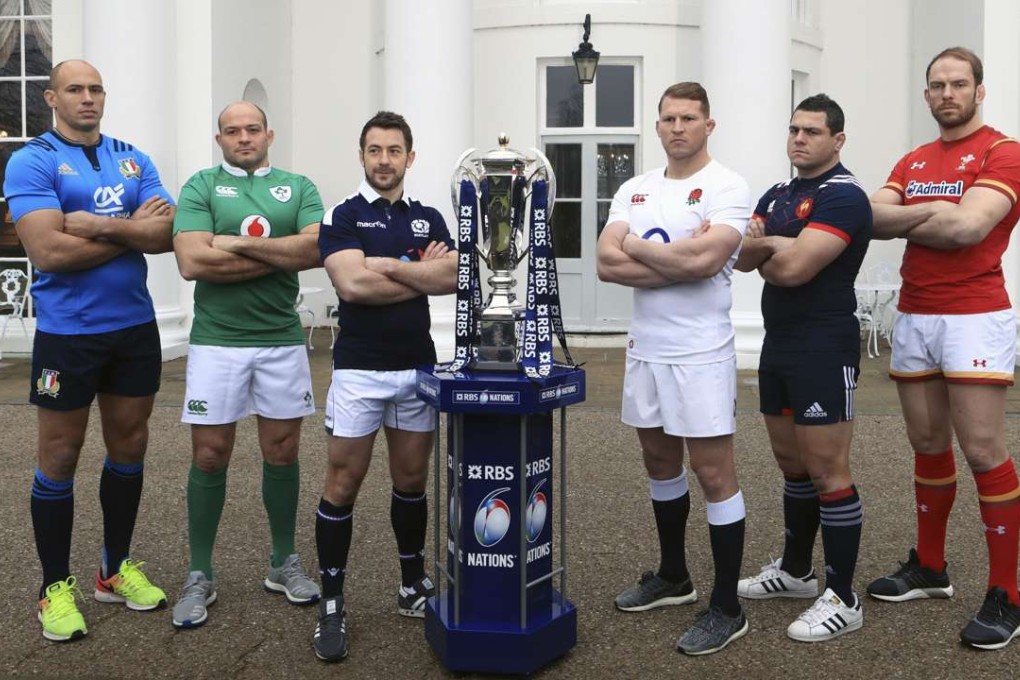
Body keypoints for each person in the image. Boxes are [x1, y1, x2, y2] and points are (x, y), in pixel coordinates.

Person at [2, 59, 174, 642]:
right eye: (75, 89)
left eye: (96, 88)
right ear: (52, 97)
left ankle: (112, 570)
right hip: (68, 334)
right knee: (60, 454)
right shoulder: (33, 159)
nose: (88, 98)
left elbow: (165, 234)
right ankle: (54, 588)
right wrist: (130, 228)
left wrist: (97, 226)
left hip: (133, 328)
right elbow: (49, 252)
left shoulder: (134, 157)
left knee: (129, 446)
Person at [868, 46, 1020, 650]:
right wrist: (936, 208)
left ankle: (1007, 593)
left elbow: (968, 228)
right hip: (916, 312)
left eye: (959, 84)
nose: (947, 93)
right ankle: (931, 569)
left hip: (975, 316)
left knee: (983, 451)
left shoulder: (1003, 152)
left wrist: (911, 211)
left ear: (979, 91)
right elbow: (868, 217)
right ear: (927, 94)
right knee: (928, 446)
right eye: (937, 85)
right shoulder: (913, 156)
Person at [596, 82, 751, 656]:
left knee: (713, 474)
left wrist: (640, 250)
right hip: (646, 349)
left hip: (701, 351)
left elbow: (708, 259)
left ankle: (727, 605)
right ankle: (673, 576)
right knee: (659, 462)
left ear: (709, 124)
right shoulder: (634, 188)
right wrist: (678, 261)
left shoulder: (728, 185)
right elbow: (604, 263)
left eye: (689, 117)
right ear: (656, 127)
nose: (677, 126)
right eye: (668, 118)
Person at [170, 101, 324, 629]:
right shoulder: (200, 187)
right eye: (232, 131)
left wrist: (231, 243)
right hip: (217, 341)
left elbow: (314, 251)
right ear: (220, 140)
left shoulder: (299, 186)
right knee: (210, 455)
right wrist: (274, 253)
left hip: (280, 338)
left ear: (269, 134)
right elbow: (192, 261)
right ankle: (199, 573)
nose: (243, 137)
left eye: (252, 129)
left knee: (282, 451)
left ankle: (283, 562)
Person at [311, 111, 457, 662]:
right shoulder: (342, 213)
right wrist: (413, 270)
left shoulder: (429, 217)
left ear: (409, 158)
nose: (384, 160)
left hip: (417, 367)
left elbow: (454, 277)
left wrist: (385, 267)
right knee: (343, 482)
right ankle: (331, 601)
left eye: (394, 150)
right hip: (359, 371)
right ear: (362, 156)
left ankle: (410, 586)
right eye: (374, 150)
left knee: (411, 482)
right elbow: (351, 284)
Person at [734, 94, 871, 642]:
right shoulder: (778, 192)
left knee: (827, 469)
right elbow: (741, 258)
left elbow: (790, 269)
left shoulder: (846, 196)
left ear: (837, 140)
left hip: (824, 344)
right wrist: (771, 245)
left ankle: (843, 595)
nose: (799, 139)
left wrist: (767, 243)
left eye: (812, 131)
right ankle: (796, 572)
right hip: (780, 343)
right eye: (793, 129)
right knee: (791, 463)